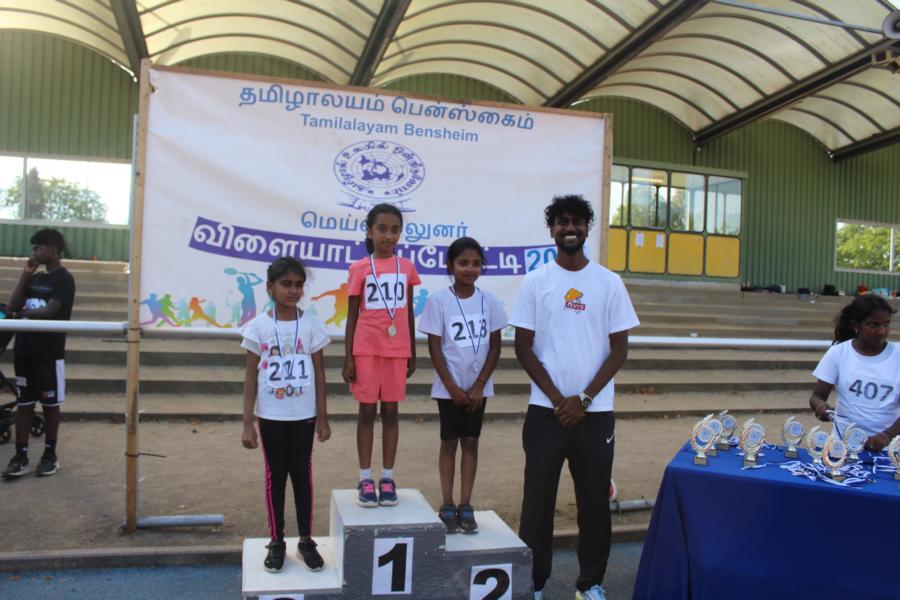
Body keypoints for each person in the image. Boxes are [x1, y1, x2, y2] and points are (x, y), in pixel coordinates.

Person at [509, 195, 639, 600]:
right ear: (552, 229)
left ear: (587, 228)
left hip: (594, 414)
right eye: (562, 221)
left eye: (577, 221)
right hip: (545, 413)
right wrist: (558, 399)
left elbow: (619, 349)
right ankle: (534, 584)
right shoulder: (535, 282)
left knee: (594, 503)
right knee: (537, 504)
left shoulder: (609, 283)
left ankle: (591, 584)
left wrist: (582, 398)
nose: (570, 228)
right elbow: (523, 347)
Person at [240, 257, 331, 572]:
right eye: (286, 284)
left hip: (304, 415)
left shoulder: (312, 324)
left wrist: (323, 416)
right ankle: (276, 540)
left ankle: (306, 540)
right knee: (275, 477)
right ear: (270, 287)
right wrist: (248, 421)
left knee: (302, 475)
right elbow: (250, 375)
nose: (293, 290)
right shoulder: (258, 327)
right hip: (271, 416)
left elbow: (320, 372)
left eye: (299, 285)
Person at [418, 237, 507, 534]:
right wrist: (452, 388)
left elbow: (495, 347)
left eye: (476, 263)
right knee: (449, 443)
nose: (470, 269)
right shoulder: (438, 301)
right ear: (450, 266)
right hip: (449, 389)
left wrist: (479, 385)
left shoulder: (490, 301)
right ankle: (447, 503)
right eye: (463, 263)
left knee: (471, 442)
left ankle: (466, 504)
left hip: (478, 390)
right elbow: (434, 347)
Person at [343, 203, 421, 507]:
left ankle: (387, 477)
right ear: (369, 231)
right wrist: (349, 357)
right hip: (365, 348)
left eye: (395, 230)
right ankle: (365, 477)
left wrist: (412, 350)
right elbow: (352, 315)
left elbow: (408, 311)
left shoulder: (407, 268)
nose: (388, 236)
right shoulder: (359, 268)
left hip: (396, 350)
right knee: (366, 413)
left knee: (390, 412)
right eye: (382, 229)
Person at [2, 229, 76, 479]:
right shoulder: (34, 279)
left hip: (48, 352)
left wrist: (19, 315)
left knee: (50, 404)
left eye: (38, 248)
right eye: (33, 248)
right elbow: (12, 306)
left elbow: (48, 312)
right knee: (24, 403)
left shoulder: (64, 279)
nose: (34, 253)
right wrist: (24, 276)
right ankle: (21, 456)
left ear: (53, 249)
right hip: (24, 351)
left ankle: (49, 455)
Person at [809, 295, 900, 451]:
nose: (881, 331)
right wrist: (821, 407)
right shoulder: (838, 353)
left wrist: (887, 435)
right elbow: (817, 396)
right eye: (873, 325)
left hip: (889, 449)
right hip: (841, 446)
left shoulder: (897, 355)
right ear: (856, 324)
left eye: (886, 324)